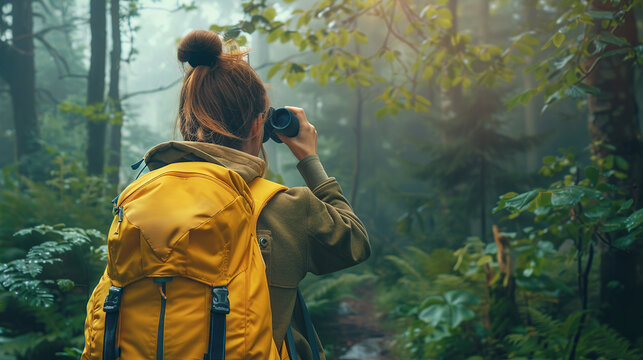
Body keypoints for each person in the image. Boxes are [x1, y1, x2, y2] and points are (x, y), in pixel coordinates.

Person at [82, 30, 370, 360]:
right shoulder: (286, 207)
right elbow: (355, 242)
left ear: (185, 120)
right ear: (256, 126)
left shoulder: (139, 202)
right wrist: (309, 159)